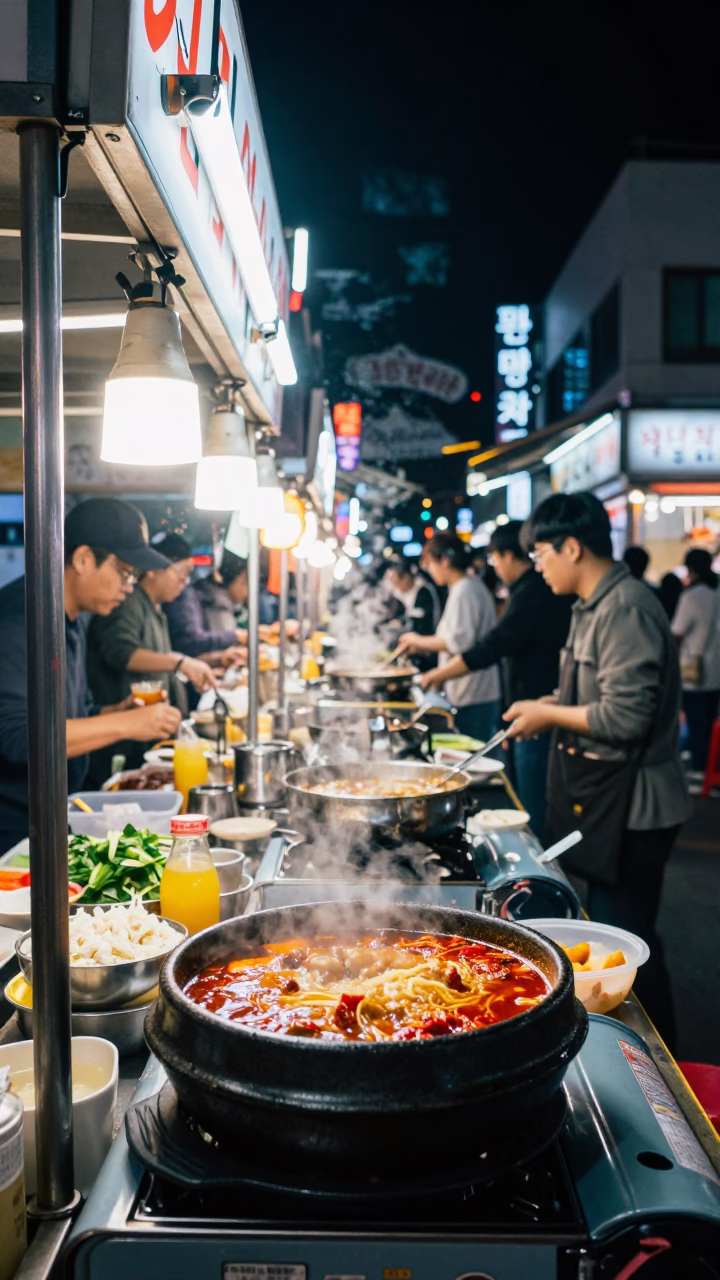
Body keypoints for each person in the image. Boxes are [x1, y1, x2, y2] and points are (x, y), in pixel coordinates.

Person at [503, 492, 690, 1045]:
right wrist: (543, 707)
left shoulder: (625, 606)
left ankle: (659, 1073)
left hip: (636, 803)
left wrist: (548, 712)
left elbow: (626, 716)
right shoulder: (590, 604)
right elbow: (591, 692)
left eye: (542, 553)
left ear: (572, 546)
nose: (538, 565)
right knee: (614, 932)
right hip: (608, 796)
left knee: (627, 941)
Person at [0, 499, 183, 853]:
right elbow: (19, 737)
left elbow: (74, 715)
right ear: (83, 559)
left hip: (56, 814)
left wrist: (116, 711)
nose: (130, 586)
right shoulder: (17, 620)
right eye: (125, 572)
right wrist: (130, 724)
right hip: (13, 836)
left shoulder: (72, 620)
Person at [417, 521, 571, 840]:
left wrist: (437, 674)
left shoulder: (531, 591)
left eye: (496, 558)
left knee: (527, 802)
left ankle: (531, 866)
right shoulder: (523, 589)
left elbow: (490, 645)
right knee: (520, 790)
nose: (495, 567)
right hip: (526, 703)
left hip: (535, 709)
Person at [86, 531, 217, 779]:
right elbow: (121, 653)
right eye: (182, 574)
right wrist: (180, 663)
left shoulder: (155, 608)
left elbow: (158, 659)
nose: (184, 584)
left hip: (146, 738)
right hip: (121, 744)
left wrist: (201, 664)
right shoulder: (126, 601)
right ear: (155, 568)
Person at [397, 533, 501, 741]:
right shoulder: (464, 587)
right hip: (469, 691)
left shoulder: (466, 589)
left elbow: (457, 642)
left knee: (473, 756)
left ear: (445, 561)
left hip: (474, 693)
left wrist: (416, 640)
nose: (429, 570)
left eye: (430, 564)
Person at [672, 548, 720, 775]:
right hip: (716, 670)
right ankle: (710, 766)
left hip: (693, 672)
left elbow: (677, 633)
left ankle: (700, 770)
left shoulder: (691, 597)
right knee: (711, 722)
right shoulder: (717, 592)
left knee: (696, 723)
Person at [165, 548, 248, 666]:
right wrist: (236, 636)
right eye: (182, 572)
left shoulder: (210, 596)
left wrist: (221, 658)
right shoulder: (192, 596)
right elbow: (190, 641)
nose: (184, 580)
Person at [385, 558, 442, 669]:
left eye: (396, 582)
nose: (395, 587)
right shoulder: (400, 595)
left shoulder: (424, 592)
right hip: (415, 650)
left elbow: (425, 624)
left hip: (428, 653)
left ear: (406, 577)